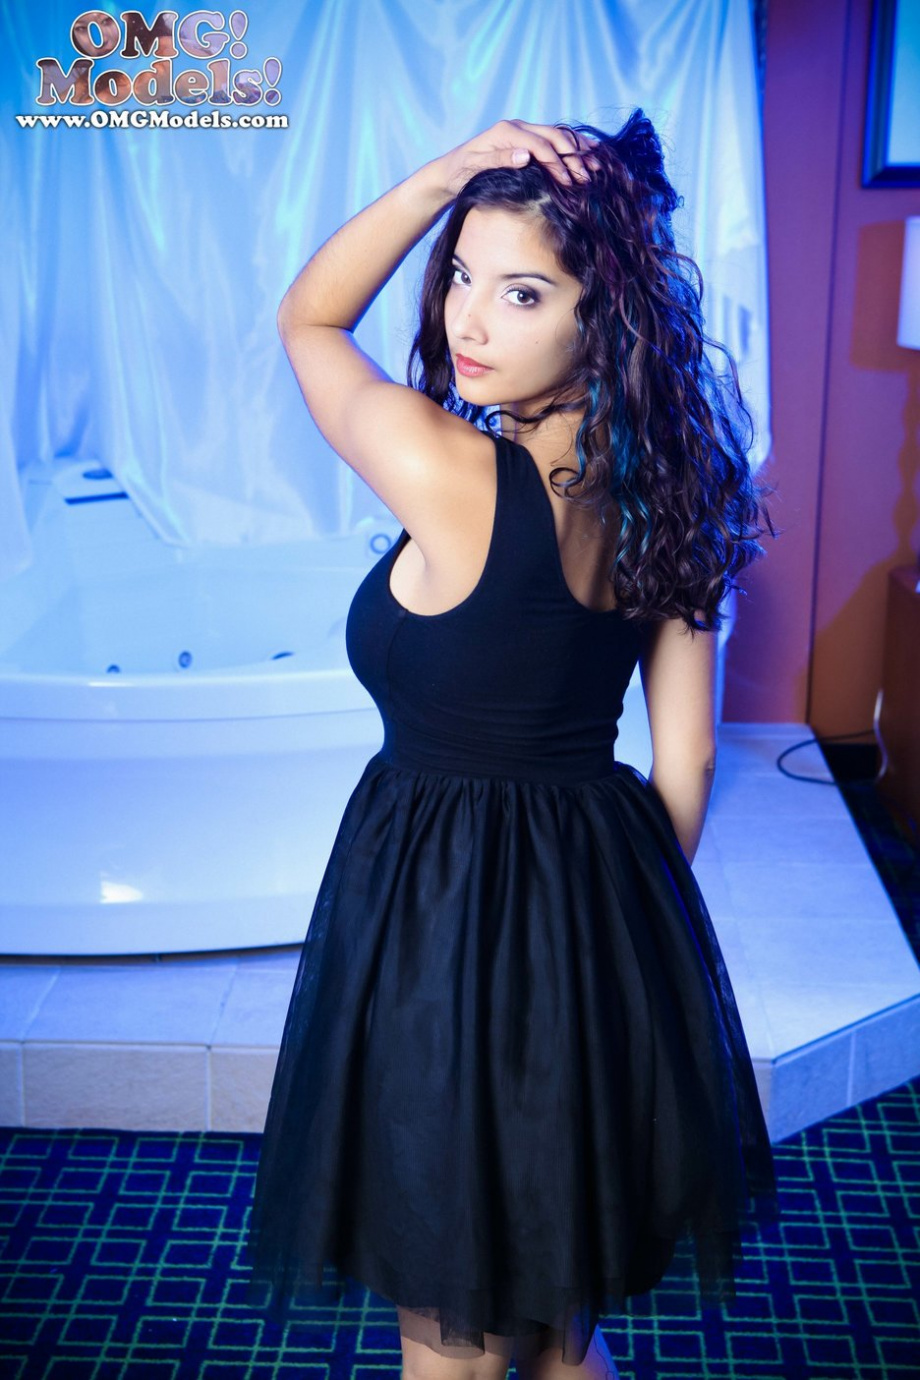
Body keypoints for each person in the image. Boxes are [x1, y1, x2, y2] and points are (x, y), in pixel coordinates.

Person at [243, 111, 779, 1380]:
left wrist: (438, 176)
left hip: (439, 933)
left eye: (521, 292)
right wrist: (609, 946)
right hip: (596, 925)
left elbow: (309, 322)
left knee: (455, 1339)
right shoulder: (677, 488)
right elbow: (687, 766)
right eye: (461, 277)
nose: (468, 321)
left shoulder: (449, 471)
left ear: (603, 318)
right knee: (546, 1331)